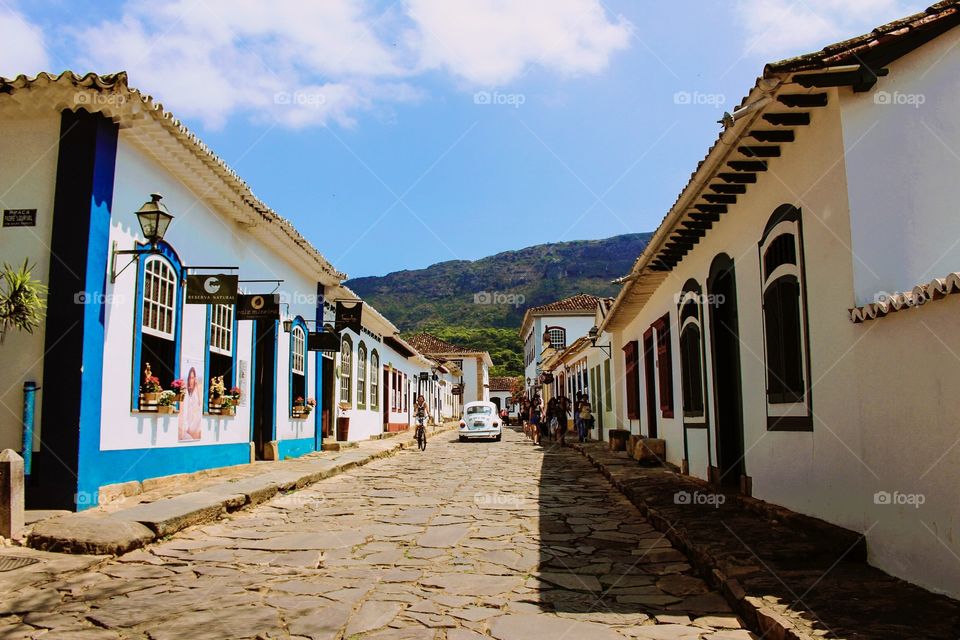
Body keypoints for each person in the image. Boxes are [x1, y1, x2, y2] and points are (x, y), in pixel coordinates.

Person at [178, 366, 202, 442]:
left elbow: (199, 403)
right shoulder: (187, 390)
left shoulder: (196, 389)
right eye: (190, 378)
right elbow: (184, 407)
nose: (191, 380)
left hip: (194, 418)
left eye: (193, 378)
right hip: (188, 418)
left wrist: (197, 387)